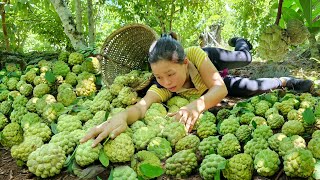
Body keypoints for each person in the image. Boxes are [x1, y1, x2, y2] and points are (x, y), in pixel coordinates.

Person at [81, 33, 313, 147]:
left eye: (170, 74)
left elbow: (219, 89)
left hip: (211, 67)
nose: (166, 81)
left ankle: (242, 42)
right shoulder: (163, 86)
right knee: (252, 87)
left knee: (245, 58)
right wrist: (122, 115)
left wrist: (196, 106)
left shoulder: (193, 55)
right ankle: (285, 81)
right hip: (210, 89)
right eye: (159, 76)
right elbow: (142, 107)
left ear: (183, 64)